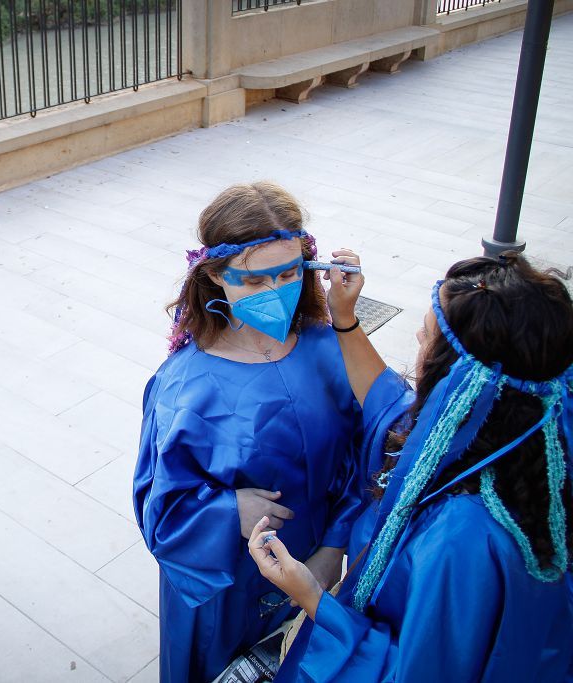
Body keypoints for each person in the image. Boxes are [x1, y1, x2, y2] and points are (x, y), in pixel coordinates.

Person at [249, 251, 573, 681]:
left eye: (426, 338)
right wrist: (344, 317)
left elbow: (413, 671)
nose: (417, 340)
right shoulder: (518, 435)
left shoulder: (463, 538)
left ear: (461, 380)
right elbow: (388, 405)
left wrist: (311, 596)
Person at [134, 182, 363, 683]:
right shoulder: (184, 388)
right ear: (216, 274)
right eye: (256, 281)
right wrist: (227, 511)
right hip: (228, 586)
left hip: (316, 566)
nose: (276, 292)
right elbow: (160, 510)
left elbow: (359, 457)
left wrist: (331, 549)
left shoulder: (328, 348)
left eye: (288, 274)